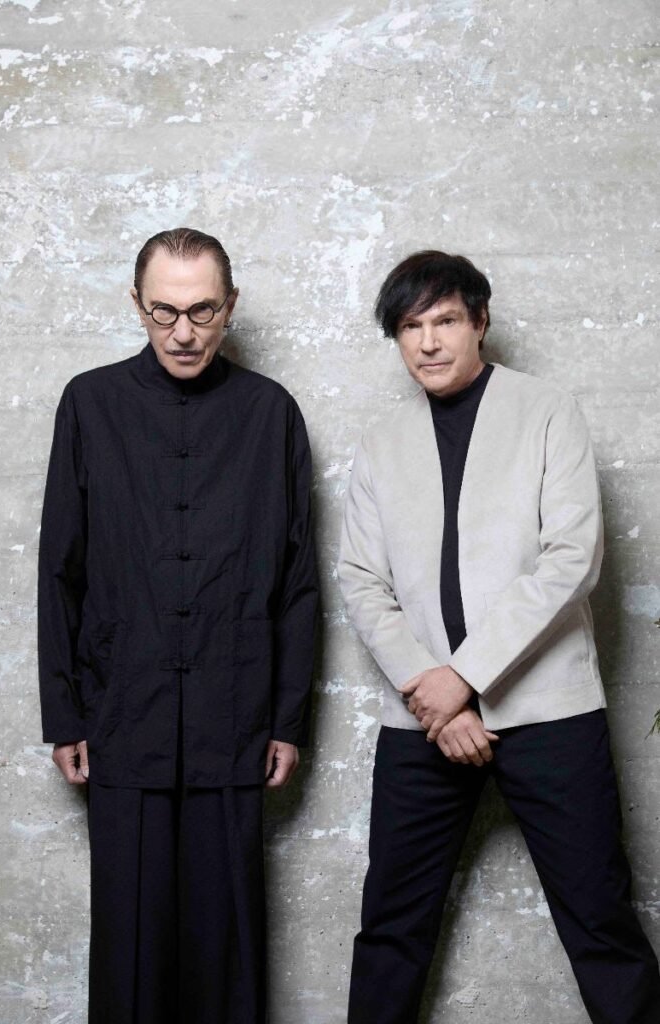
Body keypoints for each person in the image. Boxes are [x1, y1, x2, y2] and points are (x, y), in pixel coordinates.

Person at [338, 250, 660, 1024]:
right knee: (390, 930)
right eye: (409, 327)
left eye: (445, 320)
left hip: (548, 711)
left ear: (479, 322)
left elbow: (570, 559)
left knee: (600, 922)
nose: (427, 342)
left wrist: (464, 678)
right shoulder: (382, 440)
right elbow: (359, 578)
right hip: (420, 719)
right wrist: (432, 692)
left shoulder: (545, 409)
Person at [38, 227, 318, 1024]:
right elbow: (60, 568)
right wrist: (65, 713)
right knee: (129, 948)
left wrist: (287, 720)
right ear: (137, 304)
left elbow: (299, 581)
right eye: (163, 312)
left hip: (236, 716)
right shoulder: (89, 404)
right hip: (122, 714)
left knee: (227, 950)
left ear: (231, 306)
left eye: (202, 311)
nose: (183, 332)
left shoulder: (271, 413)